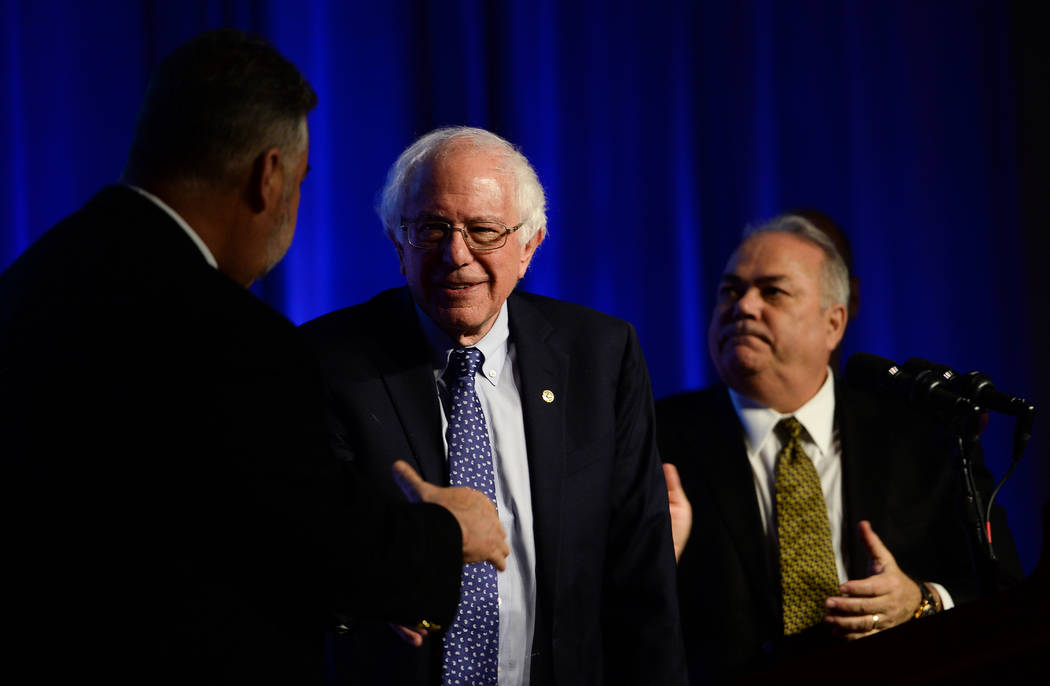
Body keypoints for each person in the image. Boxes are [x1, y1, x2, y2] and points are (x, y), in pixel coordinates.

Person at [0, 30, 507, 684]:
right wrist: (449, 531)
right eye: (299, 183)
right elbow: (311, 546)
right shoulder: (235, 337)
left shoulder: (26, 283)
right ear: (268, 176)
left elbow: (206, 528)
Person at [300, 126, 686, 685]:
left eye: (483, 231)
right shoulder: (325, 362)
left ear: (530, 247)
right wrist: (385, 580)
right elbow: (301, 553)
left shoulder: (601, 356)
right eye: (431, 229)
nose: (456, 255)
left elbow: (643, 580)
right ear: (396, 242)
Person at [656, 214, 1022, 683]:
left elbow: (1004, 589)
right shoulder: (656, 437)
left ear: (834, 323)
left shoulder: (923, 435)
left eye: (772, 292)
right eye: (730, 290)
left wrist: (921, 602)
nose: (744, 306)